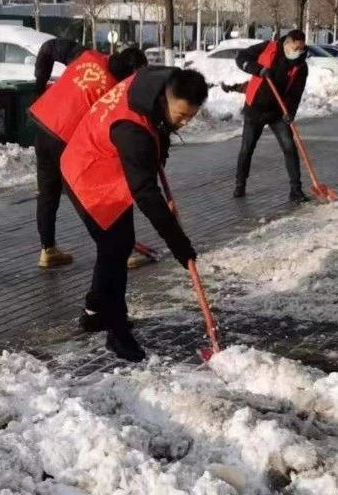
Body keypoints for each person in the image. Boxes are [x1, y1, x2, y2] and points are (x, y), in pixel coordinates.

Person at [60, 67, 208, 361]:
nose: (184, 123)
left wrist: (162, 141)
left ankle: (93, 311)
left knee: (116, 244)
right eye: (180, 116)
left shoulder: (161, 81)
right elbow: (146, 194)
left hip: (112, 164)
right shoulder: (133, 130)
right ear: (165, 100)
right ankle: (117, 333)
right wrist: (179, 243)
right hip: (88, 174)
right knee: (115, 247)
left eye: (190, 117)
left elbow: (156, 139)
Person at [30, 38, 150, 269]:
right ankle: (117, 252)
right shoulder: (118, 92)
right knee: (91, 195)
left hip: (43, 125)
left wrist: (39, 86)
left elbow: (47, 47)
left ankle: (47, 250)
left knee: (47, 192)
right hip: (66, 139)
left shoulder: (86, 56)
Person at [233, 29, 311, 203]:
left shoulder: (300, 66)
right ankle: (240, 185)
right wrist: (258, 69)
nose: (298, 52)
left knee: (290, 148)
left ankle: (296, 191)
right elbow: (241, 57)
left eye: (301, 48)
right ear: (287, 43)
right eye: (296, 48)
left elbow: (295, 94)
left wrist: (290, 113)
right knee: (247, 148)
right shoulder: (268, 48)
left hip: (278, 112)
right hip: (255, 108)